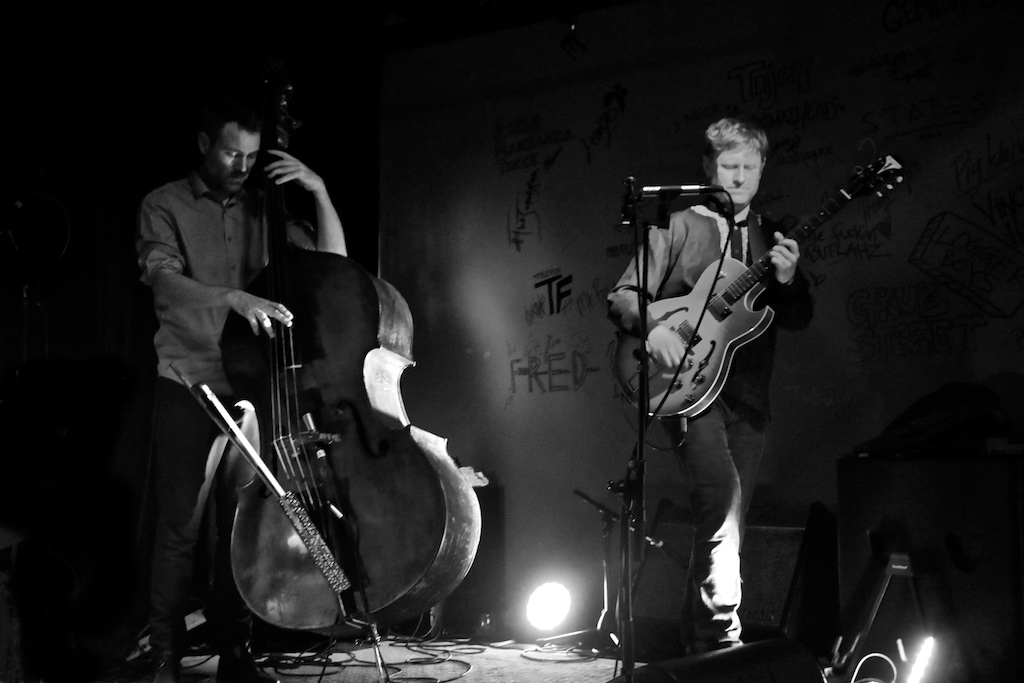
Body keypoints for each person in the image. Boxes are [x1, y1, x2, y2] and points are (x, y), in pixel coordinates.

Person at [136, 92, 348, 683]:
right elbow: (163, 280)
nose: (243, 166)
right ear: (205, 144)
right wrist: (232, 296)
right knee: (180, 527)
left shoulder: (264, 209)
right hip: (188, 380)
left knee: (240, 529)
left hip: (251, 388)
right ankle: (163, 653)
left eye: (252, 156)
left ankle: (236, 651)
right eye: (232, 153)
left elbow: (334, 266)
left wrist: (319, 190)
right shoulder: (164, 204)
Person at [607, 117, 813, 654]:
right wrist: (653, 329)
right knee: (720, 506)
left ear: (762, 169)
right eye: (728, 166)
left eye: (749, 166)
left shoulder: (773, 235)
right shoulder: (678, 225)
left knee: (725, 528)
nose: (739, 177)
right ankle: (724, 646)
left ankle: (697, 652)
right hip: (688, 390)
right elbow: (624, 295)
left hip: (749, 397)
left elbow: (798, 317)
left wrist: (788, 282)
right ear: (707, 168)